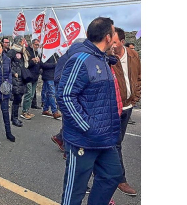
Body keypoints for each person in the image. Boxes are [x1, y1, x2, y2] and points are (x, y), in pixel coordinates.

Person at [57, 17, 121, 205]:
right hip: (84, 139)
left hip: (105, 138)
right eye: (114, 33)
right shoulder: (81, 59)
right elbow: (66, 96)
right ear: (108, 37)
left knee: (112, 175)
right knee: (74, 191)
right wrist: (87, 126)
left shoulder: (103, 59)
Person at [111, 27, 141, 196]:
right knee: (114, 144)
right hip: (113, 108)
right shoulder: (106, 58)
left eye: (114, 42)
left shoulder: (133, 56)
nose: (111, 45)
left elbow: (138, 77)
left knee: (116, 143)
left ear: (122, 42)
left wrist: (135, 97)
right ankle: (120, 179)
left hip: (127, 107)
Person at [6, 35, 29, 127]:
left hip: (21, 78)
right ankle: (14, 118)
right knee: (17, 98)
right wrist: (13, 73)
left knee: (19, 98)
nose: (24, 42)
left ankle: (14, 117)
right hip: (16, 78)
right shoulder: (12, 51)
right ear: (18, 41)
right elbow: (6, 63)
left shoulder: (23, 51)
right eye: (22, 41)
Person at [21, 38, 41, 120]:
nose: (37, 46)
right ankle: (24, 111)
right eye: (36, 45)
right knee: (28, 94)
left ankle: (27, 110)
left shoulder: (37, 52)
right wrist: (33, 61)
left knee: (32, 95)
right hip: (28, 76)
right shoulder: (27, 51)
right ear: (32, 44)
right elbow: (26, 64)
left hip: (35, 76)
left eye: (38, 45)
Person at [41, 53, 61, 118]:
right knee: (52, 93)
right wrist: (54, 64)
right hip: (48, 76)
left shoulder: (56, 54)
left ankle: (45, 109)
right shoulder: (46, 54)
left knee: (49, 94)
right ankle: (54, 111)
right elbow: (43, 65)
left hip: (54, 76)